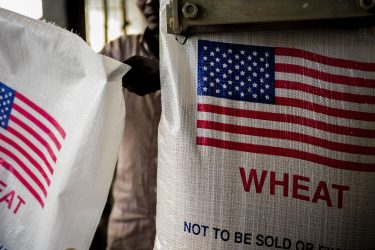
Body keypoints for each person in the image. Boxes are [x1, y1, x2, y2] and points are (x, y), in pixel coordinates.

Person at [100, 0, 161, 249]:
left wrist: (168, 76)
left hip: (188, 221)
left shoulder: (206, 59)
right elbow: (77, 87)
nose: (148, 1)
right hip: (129, 219)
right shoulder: (118, 52)